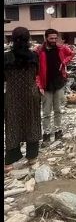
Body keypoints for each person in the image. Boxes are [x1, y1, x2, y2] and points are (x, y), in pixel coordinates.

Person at [4, 27, 42, 173]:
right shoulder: (34, 56)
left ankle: (9, 162)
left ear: (12, 39)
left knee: (12, 125)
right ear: (28, 39)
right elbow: (36, 74)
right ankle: (32, 158)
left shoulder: (6, 57)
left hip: (13, 95)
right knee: (32, 123)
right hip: (31, 94)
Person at [35, 28, 75, 145]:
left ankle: (58, 131)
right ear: (46, 38)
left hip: (58, 83)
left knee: (58, 109)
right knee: (46, 111)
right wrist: (39, 85)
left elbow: (71, 54)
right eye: (51, 38)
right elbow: (36, 70)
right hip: (45, 84)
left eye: (55, 38)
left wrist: (64, 62)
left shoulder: (61, 48)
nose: (53, 40)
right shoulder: (39, 51)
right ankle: (46, 134)